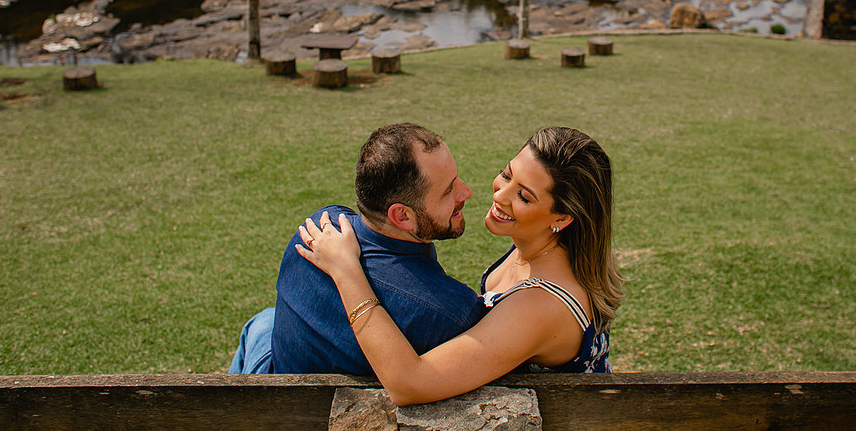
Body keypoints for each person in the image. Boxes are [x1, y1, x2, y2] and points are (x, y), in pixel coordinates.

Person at [298, 126, 623, 404]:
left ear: (562, 217)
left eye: (524, 196)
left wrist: (345, 270)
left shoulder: (540, 305)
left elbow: (410, 383)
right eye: (507, 174)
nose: (500, 195)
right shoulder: (547, 248)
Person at [229, 123, 487, 374]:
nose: (466, 192)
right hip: (320, 414)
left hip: (275, 378)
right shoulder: (450, 314)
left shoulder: (319, 228)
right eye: (448, 190)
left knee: (262, 321)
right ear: (402, 216)